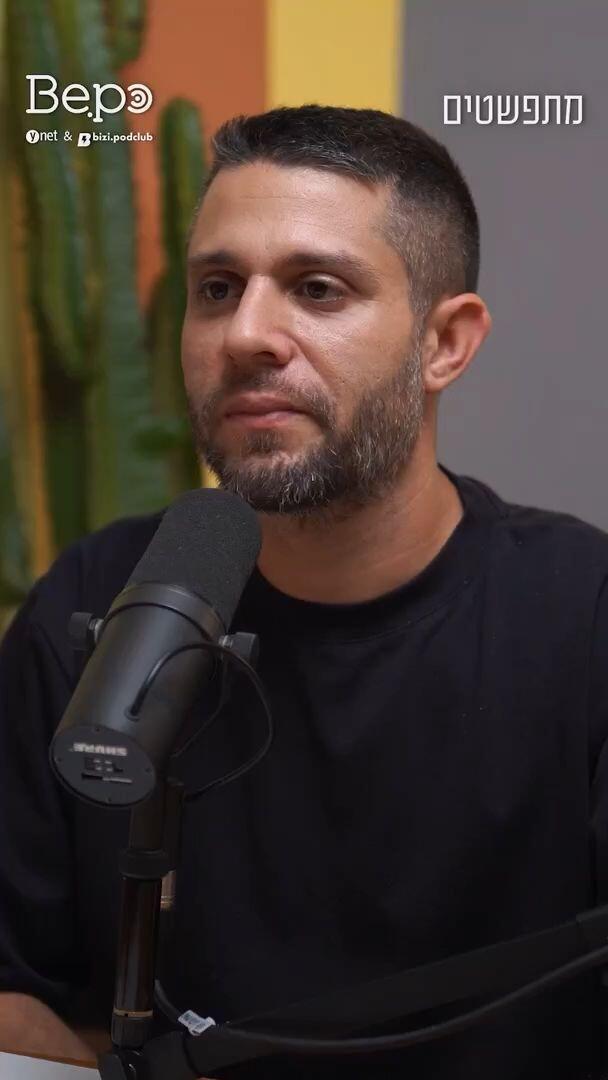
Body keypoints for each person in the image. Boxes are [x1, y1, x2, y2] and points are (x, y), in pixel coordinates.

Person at [1, 103, 608, 1079]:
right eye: (216, 288)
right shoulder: (95, 599)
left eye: (317, 289)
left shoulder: (582, 618)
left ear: (445, 343)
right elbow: (16, 987)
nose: (246, 334)